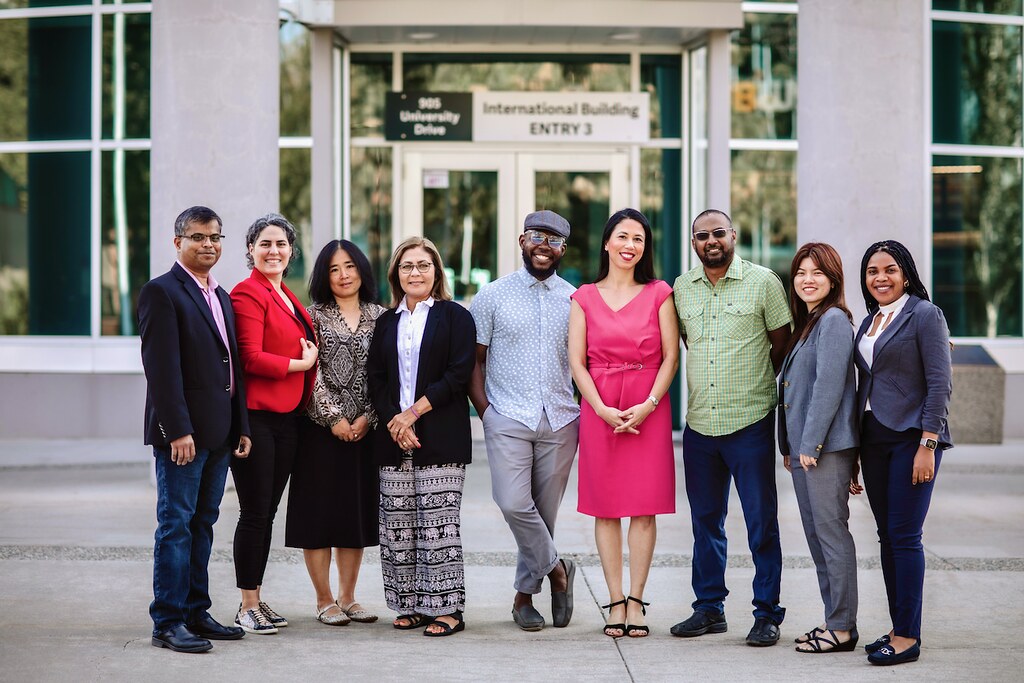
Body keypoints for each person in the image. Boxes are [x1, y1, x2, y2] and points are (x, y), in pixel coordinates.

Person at [671, 209, 792, 646]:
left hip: (751, 424)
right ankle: (708, 609)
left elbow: (782, 349)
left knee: (762, 523)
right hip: (700, 428)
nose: (711, 241)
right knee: (706, 523)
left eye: (718, 233)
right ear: (694, 243)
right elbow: (686, 343)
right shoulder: (682, 289)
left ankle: (766, 614)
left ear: (733, 235)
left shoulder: (764, 282)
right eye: (701, 236)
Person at [139, 205, 251, 653]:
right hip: (182, 438)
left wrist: (240, 424)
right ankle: (167, 621)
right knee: (175, 526)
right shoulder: (161, 292)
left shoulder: (220, 295)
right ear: (178, 242)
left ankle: (195, 612)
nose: (209, 244)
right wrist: (176, 430)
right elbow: (161, 371)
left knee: (203, 524)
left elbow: (232, 366)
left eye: (215, 238)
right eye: (199, 236)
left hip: (220, 433)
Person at [568, 208, 678, 639]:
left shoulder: (659, 293)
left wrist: (650, 404)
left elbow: (670, 356)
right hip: (600, 411)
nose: (630, 245)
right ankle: (614, 600)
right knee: (606, 507)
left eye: (639, 239)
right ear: (607, 243)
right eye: (623, 237)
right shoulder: (584, 297)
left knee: (645, 507)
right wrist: (599, 408)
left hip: (648, 407)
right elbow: (578, 362)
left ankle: (637, 599)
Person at [468, 210, 580, 632]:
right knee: (514, 503)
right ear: (521, 240)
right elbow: (474, 362)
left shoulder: (576, 299)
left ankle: (522, 599)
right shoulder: (492, 296)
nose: (544, 246)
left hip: (560, 418)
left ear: (563, 249)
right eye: (537, 236)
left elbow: (584, 363)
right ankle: (557, 571)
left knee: (543, 514)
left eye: (553, 240)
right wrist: (487, 413)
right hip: (507, 415)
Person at [367, 236, 476, 637]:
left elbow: (458, 374)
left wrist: (413, 413)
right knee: (399, 524)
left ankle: (447, 609)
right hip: (393, 439)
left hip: (442, 436)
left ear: (436, 272)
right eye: (407, 266)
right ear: (396, 273)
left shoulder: (456, 317)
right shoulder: (386, 321)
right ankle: (409, 604)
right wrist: (395, 422)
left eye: (423, 265)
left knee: (438, 524)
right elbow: (376, 378)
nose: (416, 272)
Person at [854, 240, 952, 666]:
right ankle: (898, 625)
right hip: (872, 438)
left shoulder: (925, 315)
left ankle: (908, 636)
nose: (880, 277)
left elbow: (939, 383)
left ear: (906, 274)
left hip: (912, 438)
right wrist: (856, 451)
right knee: (886, 536)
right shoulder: (871, 320)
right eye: (873, 271)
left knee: (905, 536)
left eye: (889, 269)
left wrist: (928, 444)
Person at [285, 240, 386, 626]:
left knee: (353, 516)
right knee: (318, 516)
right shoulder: (310, 317)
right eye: (333, 269)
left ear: (362, 270)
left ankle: (349, 596)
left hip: (366, 429)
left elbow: (388, 375)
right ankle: (324, 599)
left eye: (349, 266)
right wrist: (333, 418)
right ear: (323, 276)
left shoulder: (383, 316)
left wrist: (367, 418)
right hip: (319, 432)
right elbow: (311, 373)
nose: (343, 275)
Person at [229, 213, 318, 634]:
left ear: (291, 251)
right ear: (250, 249)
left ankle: (257, 598)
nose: (273, 251)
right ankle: (247, 604)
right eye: (264, 243)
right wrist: (300, 363)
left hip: (287, 420)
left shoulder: (286, 295)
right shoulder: (248, 293)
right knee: (254, 513)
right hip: (258, 419)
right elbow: (249, 357)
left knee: (266, 513)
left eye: (280, 244)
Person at [777, 243, 861, 653]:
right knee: (817, 536)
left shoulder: (834, 321)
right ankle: (835, 621)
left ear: (833, 279)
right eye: (800, 272)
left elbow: (828, 386)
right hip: (806, 450)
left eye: (817, 272)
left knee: (831, 535)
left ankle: (843, 627)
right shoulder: (809, 322)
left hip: (825, 449)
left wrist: (809, 443)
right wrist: (791, 446)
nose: (807, 279)